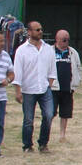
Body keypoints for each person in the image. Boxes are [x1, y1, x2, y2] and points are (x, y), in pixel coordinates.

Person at [13, 21, 58, 153]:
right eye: (37, 30)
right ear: (30, 32)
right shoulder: (21, 51)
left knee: (49, 115)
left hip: (44, 89)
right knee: (28, 120)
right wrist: (18, 91)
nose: (40, 32)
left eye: (41, 29)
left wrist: (48, 86)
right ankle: (27, 145)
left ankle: (43, 144)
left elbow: (52, 71)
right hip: (28, 90)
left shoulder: (48, 49)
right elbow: (17, 72)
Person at [51, 29, 82, 142]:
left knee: (65, 113)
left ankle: (62, 135)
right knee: (50, 112)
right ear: (57, 39)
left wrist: (77, 81)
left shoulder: (73, 52)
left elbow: (79, 68)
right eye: (64, 39)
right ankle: (47, 132)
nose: (66, 42)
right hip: (53, 88)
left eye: (68, 39)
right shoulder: (50, 51)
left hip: (67, 88)